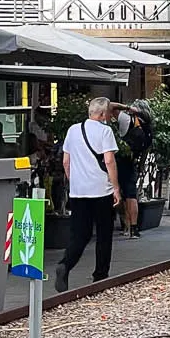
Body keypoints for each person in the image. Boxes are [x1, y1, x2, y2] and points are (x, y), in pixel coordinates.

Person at [56, 96, 120, 292]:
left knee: (80, 235)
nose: (109, 117)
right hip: (101, 190)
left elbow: (66, 161)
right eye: (108, 113)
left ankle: (65, 264)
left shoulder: (73, 130)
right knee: (104, 234)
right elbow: (109, 161)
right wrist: (116, 187)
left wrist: (74, 181)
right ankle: (100, 275)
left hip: (78, 192)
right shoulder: (105, 131)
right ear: (102, 114)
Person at [112, 101, 142, 237]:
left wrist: (126, 107)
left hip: (119, 160)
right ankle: (133, 228)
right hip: (132, 160)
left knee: (119, 193)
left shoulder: (124, 118)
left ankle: (126, 225)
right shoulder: (140, 123)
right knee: (130, 194)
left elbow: (110, 105)